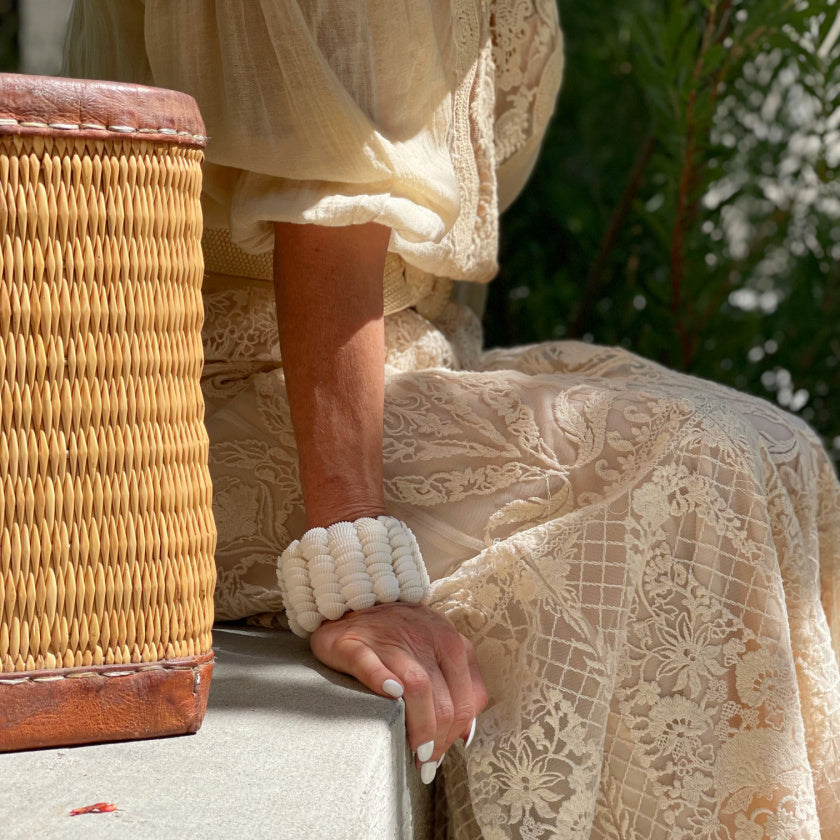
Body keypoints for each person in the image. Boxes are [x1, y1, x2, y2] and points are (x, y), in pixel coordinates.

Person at [63, 2, 840, 837]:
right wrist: (355, 569)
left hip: (410, 364)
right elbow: (328, 203)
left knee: (776, 451)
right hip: (198, 405)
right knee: (693, 480)